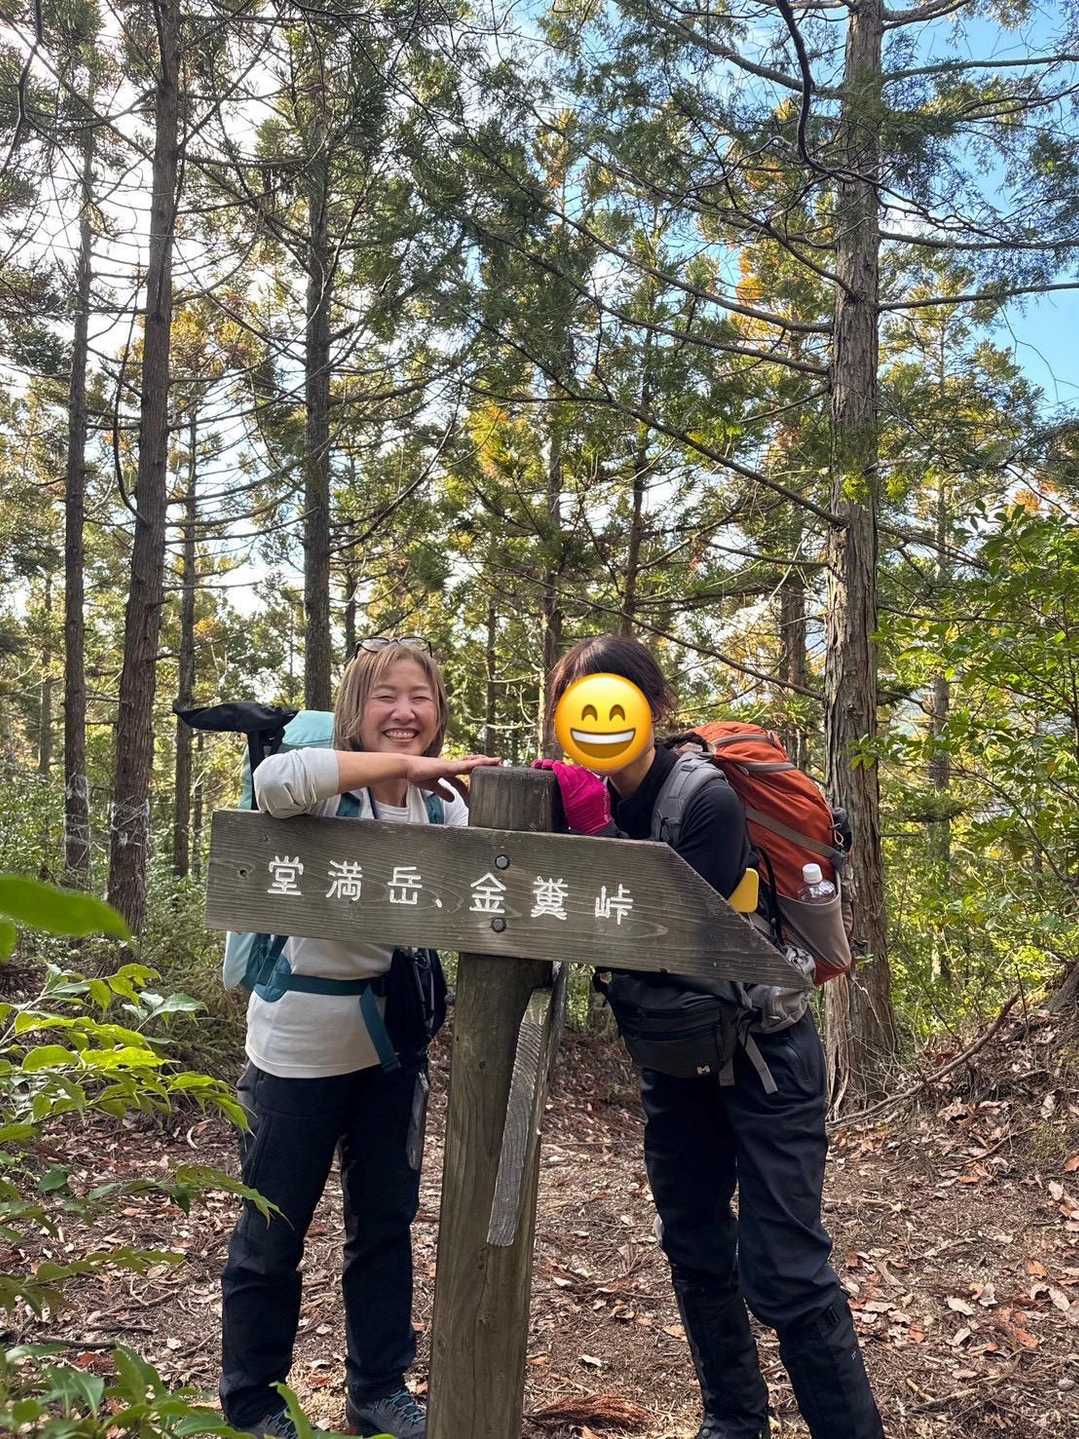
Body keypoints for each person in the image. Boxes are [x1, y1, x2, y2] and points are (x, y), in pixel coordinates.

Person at [539, 634, 883, 1439]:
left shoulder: (703, 798)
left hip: (764, 1056)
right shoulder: (579, 795)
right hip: (674, 1061)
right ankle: (733, 1419)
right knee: (693, 1245)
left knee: (785, 1271)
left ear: (652, 706)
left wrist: (591, 829)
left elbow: (670, 933)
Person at [219, 637, 500, 1439]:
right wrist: (400, 767)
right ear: (354, 707)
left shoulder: (443, 809)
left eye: (420, 696)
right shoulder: (325, 787)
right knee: (270, 1234)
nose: (404, 711)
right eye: (385, 695)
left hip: (390, 1052)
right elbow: (274, 783)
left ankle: (377, 1388)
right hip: (295, 1052)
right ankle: (253, 1402)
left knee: (383, 1228)